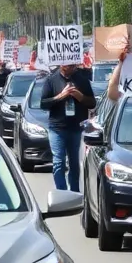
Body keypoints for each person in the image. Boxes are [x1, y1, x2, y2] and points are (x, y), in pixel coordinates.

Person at [39, 59, 97, 192]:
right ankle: (62, 192)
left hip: (76, 128)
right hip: (57, 128)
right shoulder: (51, 80)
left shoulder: (82, 80)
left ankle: (74, 193)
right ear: (61, 65)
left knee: (74, 162)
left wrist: (80, 97)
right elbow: (43, 104)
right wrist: (61, 96)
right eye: (68, 66)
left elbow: (92, 103)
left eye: (73, 66)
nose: (71, 68)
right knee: (58, 162)